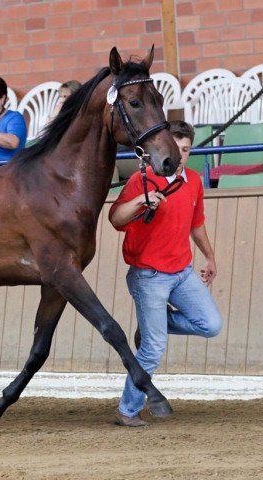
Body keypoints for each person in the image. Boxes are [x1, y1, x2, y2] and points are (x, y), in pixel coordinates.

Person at [108, 120, 222, 427]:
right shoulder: (141, 179)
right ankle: (127, 411)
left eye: (185, 149)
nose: (180, 154)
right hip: (149, 275)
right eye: (176, 147)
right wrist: (140, 201)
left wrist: (209, 257)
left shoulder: (194, 181)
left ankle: (152, 325)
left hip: (182, 271)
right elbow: (115, 218)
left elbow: (196, 225)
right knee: (154, 349)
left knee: (211, 324)